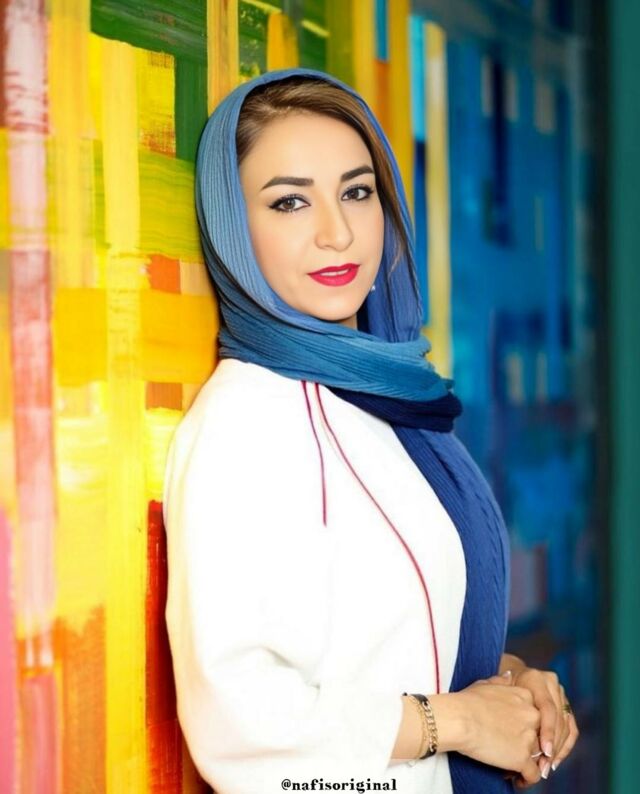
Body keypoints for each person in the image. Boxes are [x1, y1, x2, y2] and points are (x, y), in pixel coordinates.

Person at [162, 67, 579, 794]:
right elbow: (240, 720)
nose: (338, 232)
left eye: (357, 192)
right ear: (233, 230)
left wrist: (511, 687)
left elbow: (389, 640)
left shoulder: (389, 400)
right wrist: (460, 722)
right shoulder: (245, 421)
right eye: (290, 201)